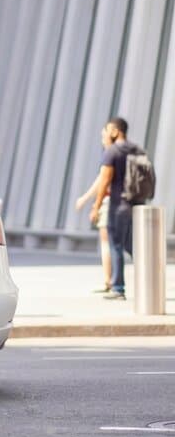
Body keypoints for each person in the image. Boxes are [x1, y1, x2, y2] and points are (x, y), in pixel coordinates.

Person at [90, 117, 143, 301]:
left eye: (109, 129)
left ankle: (118, 288)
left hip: (118, 205)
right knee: (133, 246)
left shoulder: (112, 152)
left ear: (116, 130)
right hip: (137, 204)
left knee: (116, 246)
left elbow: (104, 181)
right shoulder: (138, 149)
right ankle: (148, 280)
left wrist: (96, 207)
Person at [75, 125, 115, 293]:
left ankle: (109, 281)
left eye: (103, 135)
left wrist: (90, 202)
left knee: (106, 243)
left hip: (109, 201)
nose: (102, 139)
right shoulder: (123, 153)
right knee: (116, 245)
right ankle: (114, 281)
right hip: (121, 202)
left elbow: (103, 181)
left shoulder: (110, 154)